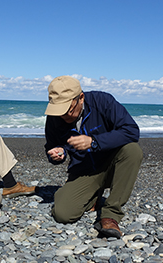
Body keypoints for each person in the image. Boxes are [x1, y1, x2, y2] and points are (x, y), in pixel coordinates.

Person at [44, 75, 143, 239]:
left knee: (133, 150)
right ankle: (93, 197)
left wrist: (94, 142)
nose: (63, 116)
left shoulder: (103, 101)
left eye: (67, 110)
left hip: (113, 165)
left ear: (80, 98)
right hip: (84, 170)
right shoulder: (54, 118)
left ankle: (111, 214)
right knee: (63, 214)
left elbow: (131, 131)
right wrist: (57, 155)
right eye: (58, 111)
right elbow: (52, 147)